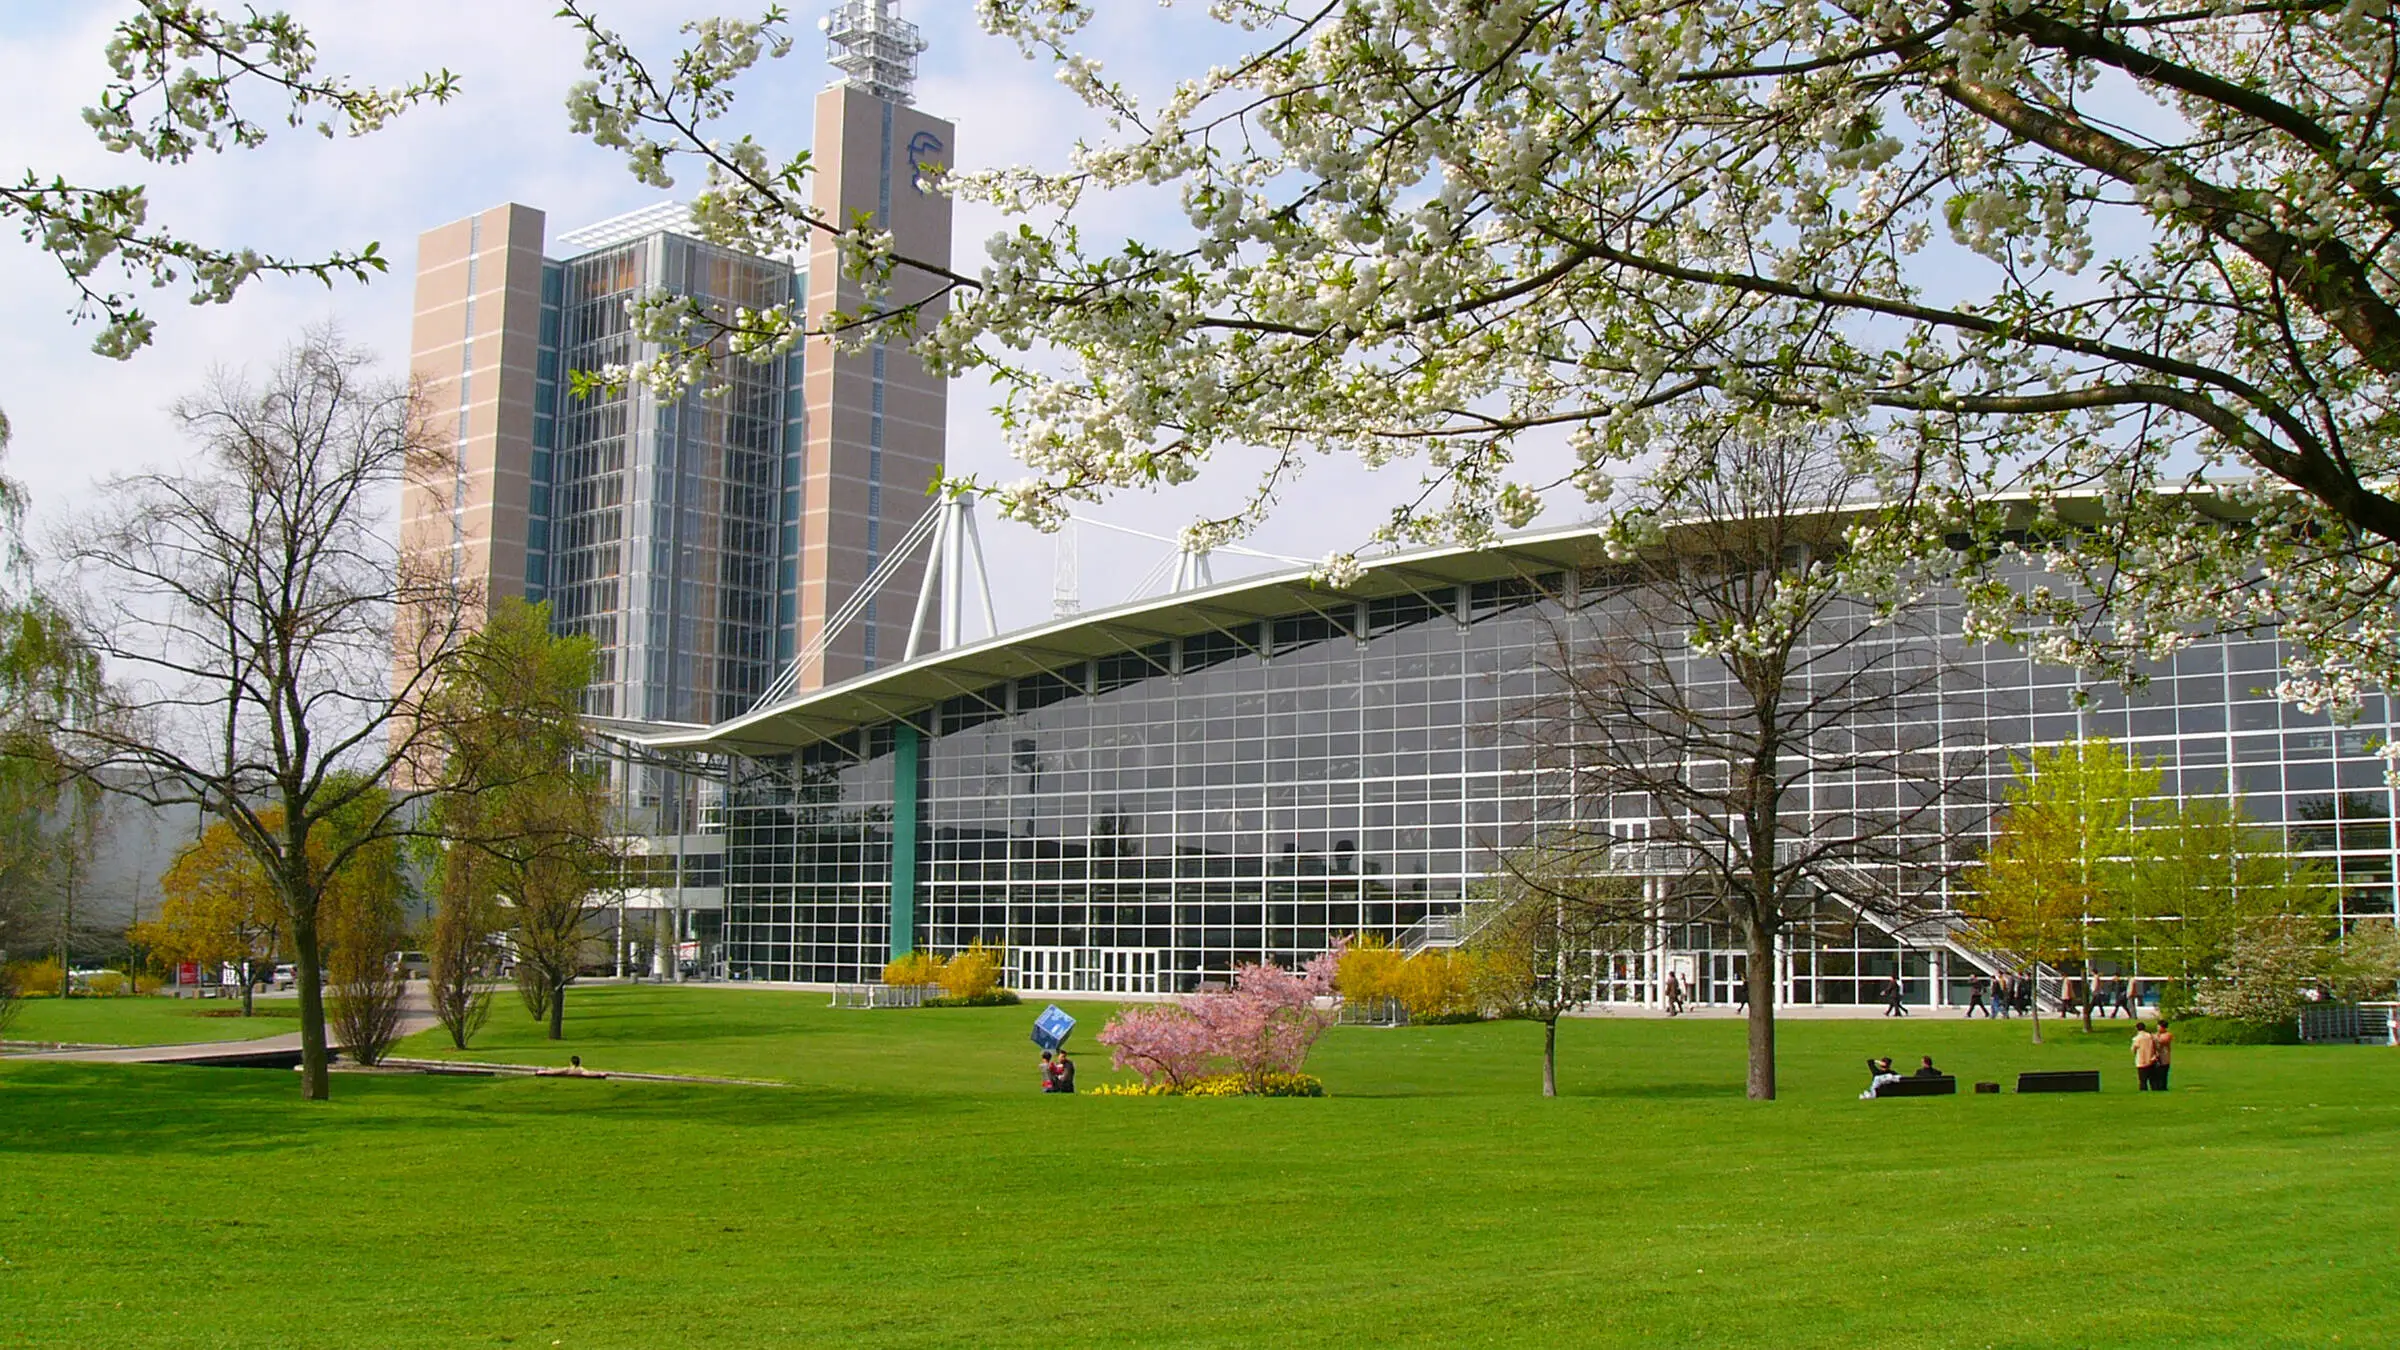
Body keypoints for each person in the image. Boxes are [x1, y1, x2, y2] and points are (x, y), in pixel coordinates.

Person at [2132, 1021, 2158, 1091]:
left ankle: (2143, 1090)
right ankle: (2155, 1089)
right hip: (2151, 1059)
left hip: (2141, 1061)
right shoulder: (2150, 1036)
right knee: (2153, 1078)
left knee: (2143, 1080)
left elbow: (2134, 1049)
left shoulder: (2137, 1038)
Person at [2150, 1019, 2174, 1091]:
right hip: (2156, 1057)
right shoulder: (2156, 1035)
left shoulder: (2167, 1035)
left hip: (2164, 1058)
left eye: (2159, 1026)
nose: (2157, 1028)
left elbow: (2162, 1041)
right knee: (2155, 1074)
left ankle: (2163, 1087)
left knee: (2163, 1074)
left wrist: (2154, 1037)